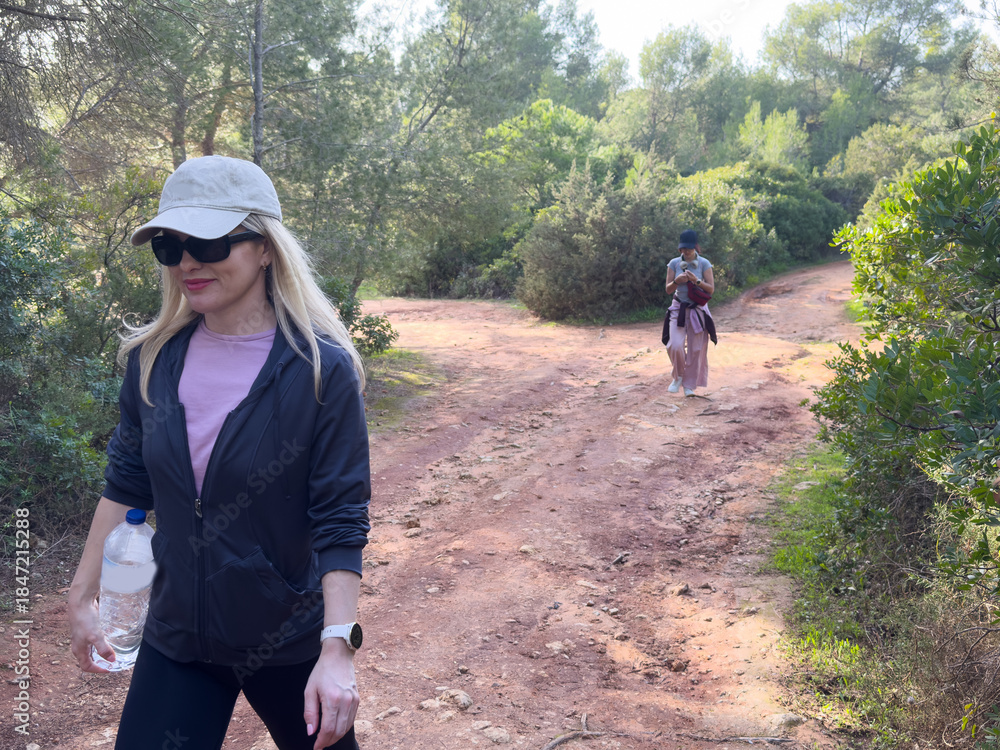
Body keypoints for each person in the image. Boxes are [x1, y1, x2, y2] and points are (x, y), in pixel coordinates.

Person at [67, 155, 370, 750]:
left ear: (264, 248)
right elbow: (127, 483)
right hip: (178, 637)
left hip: (285, 640)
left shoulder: (320, 373)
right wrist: (82, 596)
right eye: (170, 246)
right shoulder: (153, 361)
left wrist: (337, 649)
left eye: (207, 241)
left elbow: (339, 517)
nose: (186, 262)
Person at [663, 229, 717, 396]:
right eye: (682, 249)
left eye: (689, 248)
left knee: (696, 349)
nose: (685, 252)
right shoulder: (673, 263)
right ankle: (678, 376)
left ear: (695, 247)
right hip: (678, 308)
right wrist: (676, 281)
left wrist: (696, 281)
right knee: (675, 345)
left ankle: (689, 385)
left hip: (698, 310)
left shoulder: (704, 264)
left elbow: (711, 290)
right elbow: (667, 290)